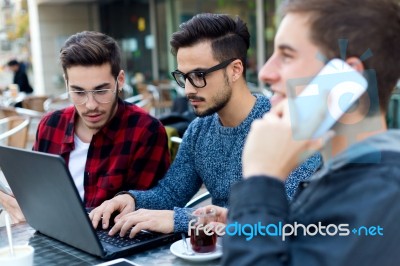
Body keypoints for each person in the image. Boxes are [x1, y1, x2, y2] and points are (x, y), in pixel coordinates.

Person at [89, 13, 321, 238]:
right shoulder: (200, 129)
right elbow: (172, 192)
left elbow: (283, 218)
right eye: (184, 76)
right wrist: (130, 200)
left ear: (235, 70)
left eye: (199, 75)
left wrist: (180, 220)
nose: (188, 89)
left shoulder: (284, 127)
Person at [220, 0, 400, 265]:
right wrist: (256, 217)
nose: (266, 72)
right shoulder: (354, 178)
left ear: (346, 82)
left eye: (287, 55)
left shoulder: (382, 197)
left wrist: (260, 181)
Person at [0, 31, 171, 223]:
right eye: (78, 92)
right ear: (66, 84)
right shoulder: (50, 126)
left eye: (101, 90)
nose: (90, 105)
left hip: (116, 243)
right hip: (50, 234)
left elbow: (146, 212)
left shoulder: (145, 131)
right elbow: (36, 191)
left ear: (120, 80)